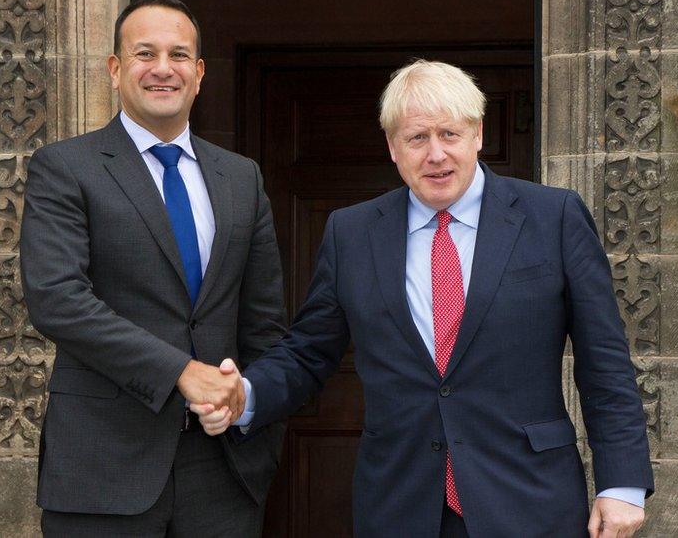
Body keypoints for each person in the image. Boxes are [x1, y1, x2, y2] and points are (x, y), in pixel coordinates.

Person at [193, 60, 654, 537]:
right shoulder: (351, 233)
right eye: (417, 138)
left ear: (477, 133)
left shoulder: (552, 217)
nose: (436, 154)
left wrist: (621, 483)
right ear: (393, 147)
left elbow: (604, 360)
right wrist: (245, 394)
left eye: (449, 134)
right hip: (401, 505)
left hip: (528, 500)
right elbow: (309, 352)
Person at [19, 0, 285, 535]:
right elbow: (58, 301)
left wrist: (244, 398)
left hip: (222, 474)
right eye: (145, 54)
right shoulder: (65, 168)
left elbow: (264, 325)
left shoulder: (242, 178)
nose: (163, 69)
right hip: (103, 469)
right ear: (115, 69)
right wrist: (183, 374)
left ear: (200, 71)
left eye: (179, 55)